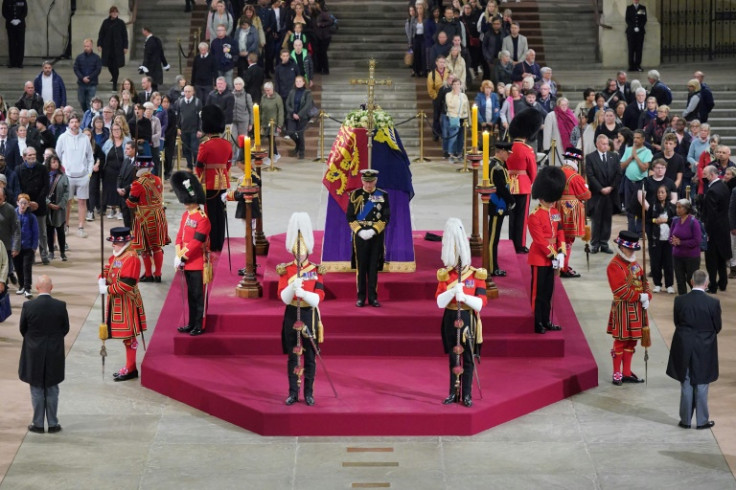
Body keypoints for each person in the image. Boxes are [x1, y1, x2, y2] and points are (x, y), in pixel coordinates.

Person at [435, 218, 486, 407]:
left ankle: (466, 394)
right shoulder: (446, 274)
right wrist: (451, 292)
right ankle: (452, 393)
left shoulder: (475, 274)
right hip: (450, 317)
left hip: (468, 317)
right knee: (453, 357)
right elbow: (440, 302)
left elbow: (481, 303)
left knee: (468, 359)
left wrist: (464, 297)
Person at [276, 212, 325, 406]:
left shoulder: (316, 269)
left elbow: (319, 298)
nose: (299, 253)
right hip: (291, 313)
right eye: (296, 249)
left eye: (302, 249)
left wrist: (304, 293)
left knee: (310, 357)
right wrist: (291, 287)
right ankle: (293, 393)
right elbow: (282, 296)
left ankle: (309, 393)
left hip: (308, 313)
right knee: (293, 356)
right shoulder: (286, 269)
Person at [666, 270, 720, 430]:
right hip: (705, 346)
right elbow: (718, 326)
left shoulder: (680, 300)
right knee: (702, 382)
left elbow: (677, 321)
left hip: (684, 344)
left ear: (691, 282)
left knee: (687, 381)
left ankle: (685, 421)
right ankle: (702, 421)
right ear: (707, 283)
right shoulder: (713, 303)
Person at [18, 275, 68, 434]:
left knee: (37, 388)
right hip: (54, 351)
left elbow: (23, 329)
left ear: (37, 288)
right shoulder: (60, 306)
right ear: (51, 288)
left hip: (34, 353)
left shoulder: (28, 306)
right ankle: (53, 423)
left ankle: (38, 423)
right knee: (52, 388)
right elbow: (64, 328)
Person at [98, 226, 147, 382]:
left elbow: (127, 284)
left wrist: (107, 288)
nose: (113, 245)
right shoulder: (118, 255)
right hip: (118, 301)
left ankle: (131, 368)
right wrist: (102, 277)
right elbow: (109, 269)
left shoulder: (131, 257)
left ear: (124, 242)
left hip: (127, 301)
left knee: (129, 337)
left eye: (115, 242)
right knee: (127, 337)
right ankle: (130, 367)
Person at [607, 230, 651, 385]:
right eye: (629, 248)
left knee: (632, 341)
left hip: (637, 309)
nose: (632, 251)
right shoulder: (614, 265)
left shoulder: (635, 263)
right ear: (621, 247)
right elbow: (620, 290)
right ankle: (616, 372)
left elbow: (644, 281)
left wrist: (648, 297)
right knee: (620, 341)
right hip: (623, 308)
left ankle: (626, 371)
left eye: (634, 249)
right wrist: (640, 297)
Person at [528, 166, 567, 334]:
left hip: (553, 257)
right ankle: (537, 322)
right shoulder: (534, 216)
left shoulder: (555, 212)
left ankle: (546, 319)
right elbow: (540, 241)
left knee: (549, 291)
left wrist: (562, 251)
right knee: (538, 293)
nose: (552, 201)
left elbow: (560, 231)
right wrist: (554, 255)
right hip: (540, 258)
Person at [171, 170, 210, 337]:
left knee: (197, 295)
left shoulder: (203, 219)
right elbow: (180, 235)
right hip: (185, 261)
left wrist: (183, 256)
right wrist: (177, 253)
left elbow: (197, 242)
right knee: (190, 295)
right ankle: (191, 323)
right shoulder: (186, 214)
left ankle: (199, 324)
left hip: (196, 261)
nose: (185, 203)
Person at [346, 169, 390, 307]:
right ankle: (361, 297)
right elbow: (350, 216)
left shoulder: (383, 195)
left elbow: (386, 216)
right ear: (362, 180)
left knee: (373, 267)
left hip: (376, 235)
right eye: (366, 181)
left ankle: (373, 297)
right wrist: (359, 231)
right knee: (362, 267)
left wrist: (374, 230)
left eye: (371, 181)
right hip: (360, 235)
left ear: (375, 181)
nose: (368, 184)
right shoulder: (355, 194)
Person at [126, 155, 169, 283]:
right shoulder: (158, 180)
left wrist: (129, 196)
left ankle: (149, 274)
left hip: (145, 218)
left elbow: (131, 204)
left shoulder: (137, 184)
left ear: (139, 167)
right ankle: (158, 273)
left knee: (144, 248)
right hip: (159, 216)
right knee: (157, 247)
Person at [195, 105, 231, 252]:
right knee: (221, 214)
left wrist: (201, 179)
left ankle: (212, 244)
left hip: (209, 184)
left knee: (210, 215)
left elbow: (199, 166)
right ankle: (220, 242)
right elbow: (228, 164)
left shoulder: (205, 145)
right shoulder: (227, 144)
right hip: (223, 182)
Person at [506, 108, 541, 253]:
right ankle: (519, 244)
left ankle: (510, 242)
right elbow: (532, 171)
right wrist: (530, 182)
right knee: (522, 218)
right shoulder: (527, 149)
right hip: (523, 185)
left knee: (512, 217)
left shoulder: (508, 148)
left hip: (509, 184)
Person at [55, 114, 94, 238]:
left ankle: (81, 227)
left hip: (83, 176)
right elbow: (57, 157)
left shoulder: (85, 138)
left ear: (79, 123)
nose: (74, 124)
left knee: (82, 202)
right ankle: (66, 226)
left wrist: (88, 174)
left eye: (76, 122)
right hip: (68, 176)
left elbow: (90, 158)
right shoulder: (62, 138)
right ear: (68, 124)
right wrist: (61, 174)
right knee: (67, 202)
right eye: (72, 122)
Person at [558, 148, 592, 278]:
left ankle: (559, 264)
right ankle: (564, 267)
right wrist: (587, 188)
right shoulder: (575, 176)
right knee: (567, 240)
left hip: (557, 207)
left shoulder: (559, 172)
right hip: (570, 209)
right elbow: (585, 195)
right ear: (575, 161)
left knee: (559, 237)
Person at [16, 147, 49, 266]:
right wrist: (28, 202)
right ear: (24, 157)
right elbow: (18, 187)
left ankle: (44, 254)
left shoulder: (42, 168)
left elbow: (46, 187)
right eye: (29, 155)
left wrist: (37, 202)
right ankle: (30, 256)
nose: (32, 157)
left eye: (34, 155)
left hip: (39, 205)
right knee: (26, 232)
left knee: (42, 232)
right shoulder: (19, 170)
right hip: (25, 205)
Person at [702, 165, 731, 293]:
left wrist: (706, 232)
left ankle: (712, 285)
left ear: (712, 174)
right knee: (721, 259)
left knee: (712, 261)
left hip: (713, 231)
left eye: (705, 174)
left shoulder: (712, 190)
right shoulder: (724, 186)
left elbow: (711, 214)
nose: (703, 176)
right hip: (724, 228)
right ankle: (723, 283)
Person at [487, 141, 514, 276]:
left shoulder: (497, 165)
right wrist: (511, 200)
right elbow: (501, 188)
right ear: (501, 151)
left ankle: (493, 265)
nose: (509, 155)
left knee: (494, 237)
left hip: (499, 205)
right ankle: (491, 268)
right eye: (507, 153)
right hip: (498, 206)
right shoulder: (496, 167)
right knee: (493, 238)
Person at [646, 184, 676, 294]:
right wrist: (655, 221)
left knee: (668, 263)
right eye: (658, 192)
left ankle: (669, 285)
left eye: (662, 192)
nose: (660, 194)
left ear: (667, 193)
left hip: (668, 239)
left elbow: (675, 221)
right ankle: (657, 284)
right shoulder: (653, 206)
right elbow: (648, 220)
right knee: (655, 263)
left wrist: (666, 221)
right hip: (656, 238)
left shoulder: (672, 207)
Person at [670, 199, 702, 295]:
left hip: (691, 256)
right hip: (677, 256)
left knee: (691, 280)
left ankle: (696, 298)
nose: (677, 209)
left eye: (680, 207)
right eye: (677, 207)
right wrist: (673, 241)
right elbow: (670, 236)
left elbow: (697, 240)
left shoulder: (694, 222)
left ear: (686, 208)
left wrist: (681, 243)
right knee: (680, 280)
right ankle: (683, 301)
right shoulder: (675, 221)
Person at [97, 6, 128, 92]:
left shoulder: (121, 23)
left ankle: (114, 84)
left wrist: (125, 47)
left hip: (118, 49)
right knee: (109, 65)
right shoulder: (105, 22)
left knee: (115, 66)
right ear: (110, 13)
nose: (114, 14)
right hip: (108, 48)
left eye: (116, 12)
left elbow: (124, 36)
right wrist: (99, 44)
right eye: (113, 12)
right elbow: (101, 34)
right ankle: (114, 77)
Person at [13, 193, 37, 298]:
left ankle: (27, 288)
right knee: (18, 267)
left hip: (28, 247)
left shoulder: (32, 217)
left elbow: (36, 233)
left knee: (26, 267)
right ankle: (21, 285)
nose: (23, 205)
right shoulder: (13, 215)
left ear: (28, 205)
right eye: (21, 203)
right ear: (17, 203)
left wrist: (34, 246)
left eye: (25, 203)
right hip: (16, 247)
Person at [284, 75, 314, 160]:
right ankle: (298, 144)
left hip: (302, 116)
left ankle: (301, 152)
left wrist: (299, 115)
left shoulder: (307, 93)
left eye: (300, 81)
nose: (298, 83)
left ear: (304, 82)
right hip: (291, 115)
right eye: (296, 81)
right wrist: (293, 113)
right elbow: (287, 103)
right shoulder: (292, 92)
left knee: (300, 134)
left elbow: (307, 105)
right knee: (290, 132)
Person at [45, 155, 68, 262]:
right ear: (49, 163)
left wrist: (61, 204)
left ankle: (62, 252)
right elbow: (42, 191)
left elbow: (67, 192)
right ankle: (51, 251)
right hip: (48, 208)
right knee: (49, 231)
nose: (55, 164)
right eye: (53, 162)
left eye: (57, 162)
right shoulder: (44, 176)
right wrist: (48, 203)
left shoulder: (63, 176)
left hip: (59, 208)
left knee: (60, 231)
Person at [176, 86, 203, 170]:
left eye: (189, 91)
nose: (187, 93)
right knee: (186, 149)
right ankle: (189, 166)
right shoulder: (180, 102)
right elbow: (178, 117)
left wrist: (200, 129)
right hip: (184, 130)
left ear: (193, 92)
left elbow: (201, 117)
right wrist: (178, 128)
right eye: (186, 91)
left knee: (195, 149)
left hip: (194, 130)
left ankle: (196, 164)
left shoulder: (197, 102)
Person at [73, 39, 102, 113]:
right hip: (81, 83)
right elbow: (76, 68)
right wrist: (82, 78)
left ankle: (89, 115)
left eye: (88, 46)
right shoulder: (79, 57)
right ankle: (86, 112)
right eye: (85, 46)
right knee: (81, 100)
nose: (86, 48)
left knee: (90, 101)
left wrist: (90, 77)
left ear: (91, 46)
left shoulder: (96, 58)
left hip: (92, 83)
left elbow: (98, 69)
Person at [443, 78, 469, 161]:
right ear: (452, 86)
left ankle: (459, 153)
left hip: (462, 118)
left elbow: (466, 107)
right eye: (454, 84)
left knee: (461, 137)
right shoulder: (448, 95)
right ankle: (451, 154)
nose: (456, 86)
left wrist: (467, 117)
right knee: (453, 137)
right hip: (453, 117)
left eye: (458, 84)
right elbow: (451, 105)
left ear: (460, 85)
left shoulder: (464, 95)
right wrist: (455, 95)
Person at [140, 26, 169, 91]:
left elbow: (147, 55)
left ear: (145, 31)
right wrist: (165, 64)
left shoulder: (150, 41)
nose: (142, 32)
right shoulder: (157, 40)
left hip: (151, 67)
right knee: (154, 84)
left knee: (151, 84)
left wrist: (144, 66)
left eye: (143, 31)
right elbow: (161, 54)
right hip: (157, 66)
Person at [210, 24, 237, 89]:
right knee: (219, 85)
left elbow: (236, 51)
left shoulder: (231, 40)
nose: (219, 32)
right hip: (218, 67)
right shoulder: (214, 42)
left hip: (228, 66)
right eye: (218, 30)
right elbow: (212, 54)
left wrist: (229, 50)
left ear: (225, 31)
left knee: (229, 85)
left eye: (221, 30)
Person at [3, 0, 27, 68]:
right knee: (12, 43)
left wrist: (19, 20)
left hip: (20, 25)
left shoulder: (23, 0)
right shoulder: (6, 1)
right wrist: (11, 20)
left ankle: (20, 63)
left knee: (20, 43)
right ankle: (12, 63)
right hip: (10, 24)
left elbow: (25, 12)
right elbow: (4, 12)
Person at [625, 0, 646, 72]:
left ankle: (638, 65)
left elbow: (644, 19)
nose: (636, 0)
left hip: (640, 32)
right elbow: (627, 19)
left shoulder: (642, 8)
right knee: (631, 49)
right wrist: (633, 27)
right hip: (631, 32)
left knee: (639, 49)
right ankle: (631, 66)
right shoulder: (629, 8)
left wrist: (639, 27)